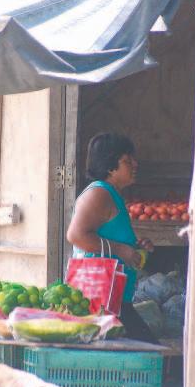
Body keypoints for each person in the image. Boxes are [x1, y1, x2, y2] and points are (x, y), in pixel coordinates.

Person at [66, 132, 157, 343]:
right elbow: (76, 235)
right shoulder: (99, 193)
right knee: (148, 349)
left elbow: (105, 236)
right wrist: (120, 249)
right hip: (99, 300)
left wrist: (134, 246)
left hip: (114, 299)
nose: (135, 164)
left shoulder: (111, 194)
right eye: (127, 161)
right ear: (110, 167)